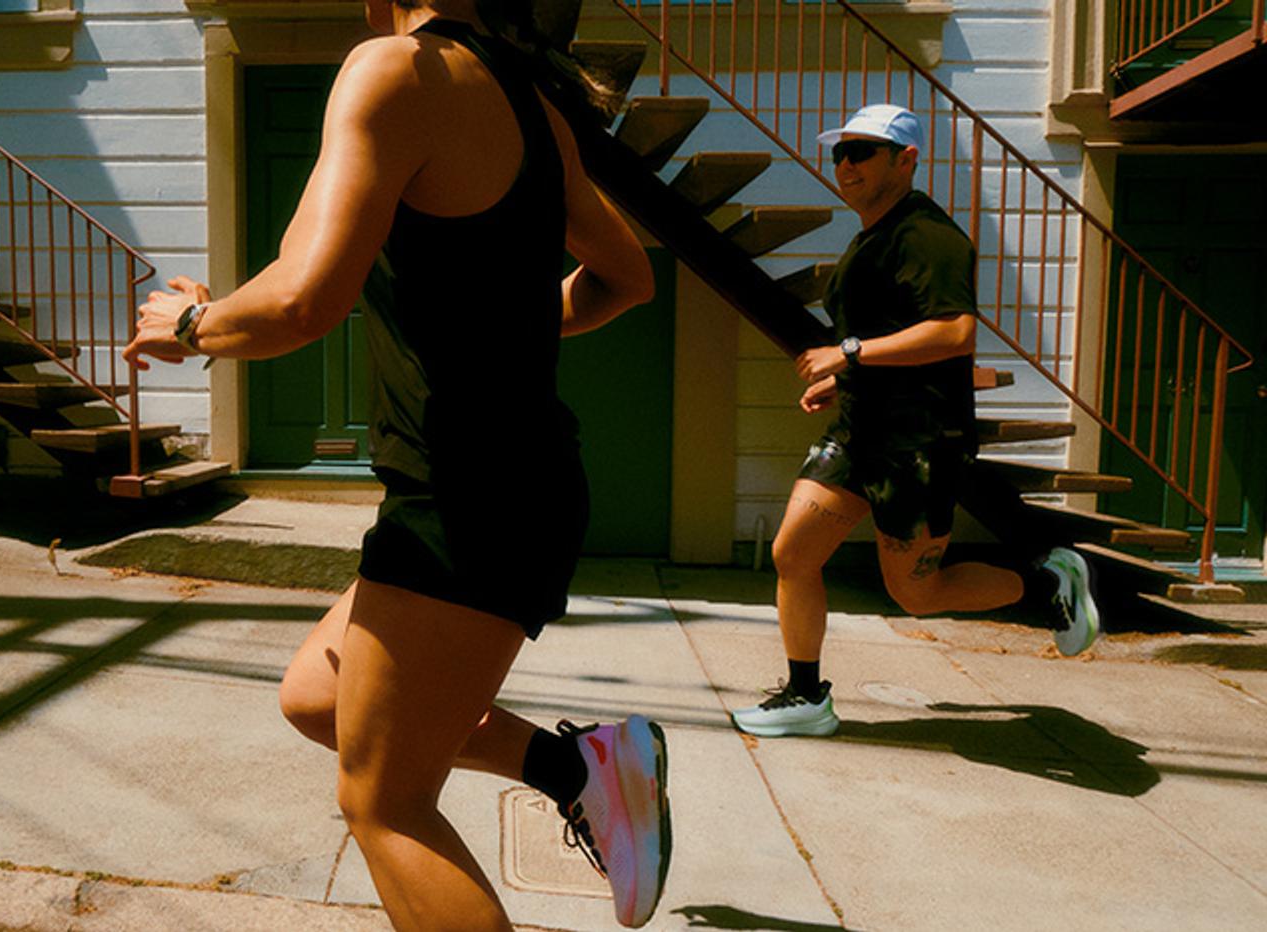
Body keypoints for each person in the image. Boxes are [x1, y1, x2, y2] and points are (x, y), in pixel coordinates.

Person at [121, 0, 671, 928]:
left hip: (470, 495)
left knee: (384, 801)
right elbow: (628, 277)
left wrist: (188, 327)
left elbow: (303, 303)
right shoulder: (527, 103)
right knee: (316, 698)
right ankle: (580, 768)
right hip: (504, 483)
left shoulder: (395, 70)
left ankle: (590, 773)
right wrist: (511, 322)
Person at [731, 104, 1100, 739]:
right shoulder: (873, 235)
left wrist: (847, 354)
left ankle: (1045, 582)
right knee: (792, 553)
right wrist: (843, 377)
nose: (845, 164)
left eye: (862, 152)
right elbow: (889, 334)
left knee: (916, 594)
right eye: (840, 152)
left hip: (918, 443)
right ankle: (805, 695)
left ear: (906, 159)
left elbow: (953, 331)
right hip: (859, 431)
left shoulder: (928, 236)